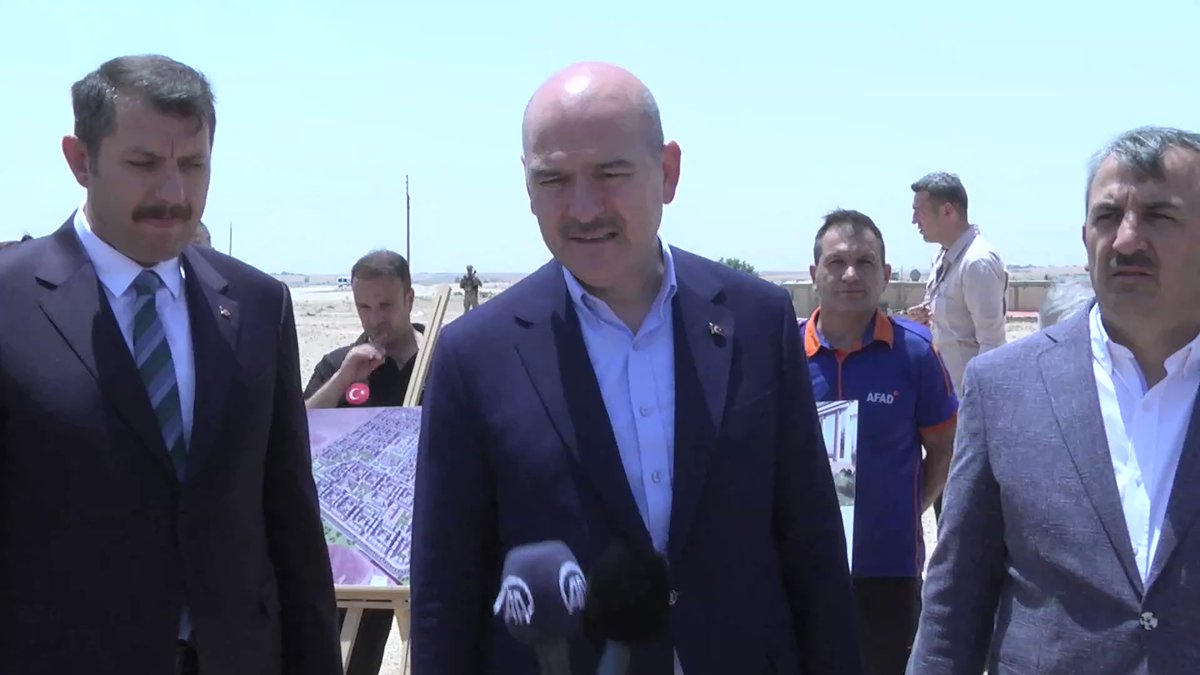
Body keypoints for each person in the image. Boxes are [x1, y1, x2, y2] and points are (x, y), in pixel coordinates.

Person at [409, 61, 862, 675]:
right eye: (554, 179)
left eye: (610, 173)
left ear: (668, 172)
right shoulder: (475, 356)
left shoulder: (758, 321)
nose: (583, 207)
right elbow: (445, 591)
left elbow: (813, 547)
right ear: (527, 187)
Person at [0, 54, 341, 675]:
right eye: (144, 165)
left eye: (193, 165)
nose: (174, 195)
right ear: (80, 161)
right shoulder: (9, 302)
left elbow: (290, 519)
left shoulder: (258, 305)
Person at [908, 125, 1200, 674]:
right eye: (1108, 217)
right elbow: (953, 609)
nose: (1127, 240)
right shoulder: (1004, 389)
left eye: (1160, 216)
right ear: (1085, 236)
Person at [802, 209, 957, 675]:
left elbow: (945, 447)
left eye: (865, 262)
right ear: (814, 274)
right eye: (836, 262)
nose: (851, 274)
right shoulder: (784, 352)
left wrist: (910, 505)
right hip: (804, 564)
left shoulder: (915, 352)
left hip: (887, 566)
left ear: (886, 275)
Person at [906, 171, 1008, 394]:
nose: (914, 220)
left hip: (967, 401)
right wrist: (925, 319)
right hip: (943, 397)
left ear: (947, 211)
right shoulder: (944, 257)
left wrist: (976, 402)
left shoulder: (977, 262)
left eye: (919, 211)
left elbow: (992, 344)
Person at [304, 249, 424, 410]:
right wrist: (341, 380)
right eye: (364, 307)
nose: (375, 319)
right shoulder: (336, 365)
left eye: (385, 305)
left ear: (409, 300)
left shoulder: (441, 360)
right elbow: (301, 423)